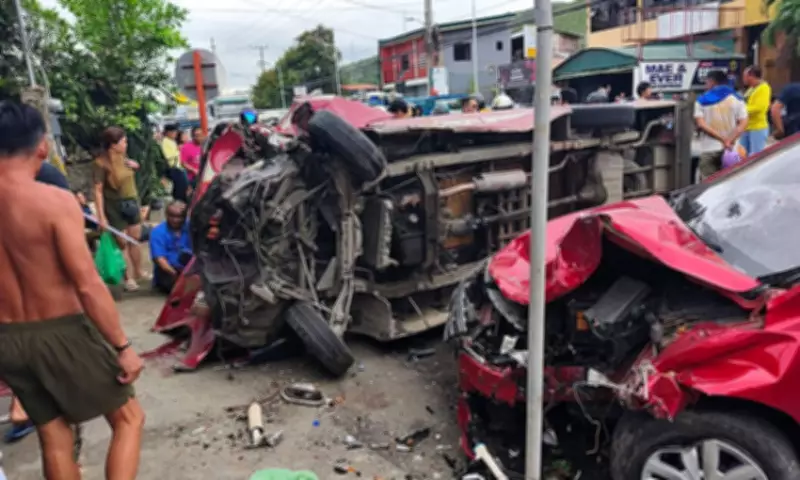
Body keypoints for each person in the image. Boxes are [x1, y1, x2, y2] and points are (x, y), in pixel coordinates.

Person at [0, 100, 145, 480]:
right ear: (41, 146)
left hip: (7, 338)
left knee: (54, 435)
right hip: (61, 331)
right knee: (129, 418)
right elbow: (87, 283)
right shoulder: (53, 201)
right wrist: (123, 347)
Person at [93, 126, 147, 292]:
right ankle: (128, 278)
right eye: (123, 142)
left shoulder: (124, 158)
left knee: (135, 239)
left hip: (132, 202)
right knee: (121, 242)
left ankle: (138, 271)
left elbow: (128, 176)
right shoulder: (100, 163)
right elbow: (98, 191)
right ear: (113, 144)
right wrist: (101, 216)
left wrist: (135, 166)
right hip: (115, 206)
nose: (126, 144)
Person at [694, 69, 748, 181]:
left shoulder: (701, 100)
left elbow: (701, 124)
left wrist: (722, 139)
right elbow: (743, 123)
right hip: (732, 150)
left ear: (712, 81)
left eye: (706, 82)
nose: (706, 85)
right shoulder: (738, 99)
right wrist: (729, 140)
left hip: (709, 149)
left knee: (709, 184)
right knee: (731, 182)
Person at [149, 201, 192, 294]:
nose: (175, 220)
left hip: (190, 268)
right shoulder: (157, 232)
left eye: (179, 217)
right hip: (169, 270)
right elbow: (160, 260)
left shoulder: (192, 228)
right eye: (172, 216)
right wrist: (177, 276)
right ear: (166, 215)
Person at [740, 66, 771, 155]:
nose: (743, 79)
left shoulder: (764, 88)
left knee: (755, 155)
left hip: (757, 127)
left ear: (752, 76)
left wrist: (741, 110)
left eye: (745, 76)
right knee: (742, 154)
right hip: (746, 126)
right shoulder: (751, 89)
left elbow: (759, 107)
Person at [161, 124, 189, 203]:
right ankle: (179, 202)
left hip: (179, 167)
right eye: (173, 132)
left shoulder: (172, 141)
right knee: (181, 188)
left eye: (175, 132)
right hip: (174, 168)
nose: (175, 134)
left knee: (182, 187)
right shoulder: (165, 142)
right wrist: (178, 151)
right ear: (168, 132)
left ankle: (180, 202)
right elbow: (168, 156)